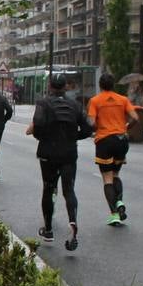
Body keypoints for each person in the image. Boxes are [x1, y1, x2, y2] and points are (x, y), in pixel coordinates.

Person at [26, 74, 91, 252]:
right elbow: (88, 128)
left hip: (48, 152)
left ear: (50, 86)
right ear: (66, 87)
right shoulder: (75, 105)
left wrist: (44, 137)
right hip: (69, 153)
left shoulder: (43, 103)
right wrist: (72, 137)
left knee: (48, 188)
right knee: (69, 190)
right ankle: (73, 221)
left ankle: (48, 230)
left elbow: (38, 125)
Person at [87, 73, 139, 227]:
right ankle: (120, 201)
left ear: (100, 85)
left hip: (104, 141)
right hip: (121, 140)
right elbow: (136, 117)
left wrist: (97, 128)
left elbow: (91, 122)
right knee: (116, 174)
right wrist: (126, 127)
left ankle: (114, 214)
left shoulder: (95, 101)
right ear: (113, 85)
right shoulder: (123, 100)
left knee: (107, 178)